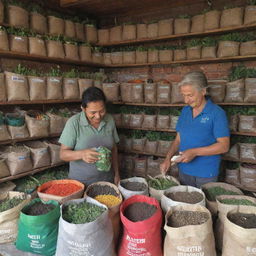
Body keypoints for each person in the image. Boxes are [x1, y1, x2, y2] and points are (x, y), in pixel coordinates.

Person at [160, 71, 230, 188]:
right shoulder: (185, 111)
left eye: (190, 95)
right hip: (184, 170)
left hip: (206, 173)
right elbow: (178, 140)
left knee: (203, 204)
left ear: (203, 91)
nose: (186, 100)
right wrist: (167, 158)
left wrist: (194, 152)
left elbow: (224, 146)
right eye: (184, 95)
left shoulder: (217, 113)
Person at [59, 87, 120, 186]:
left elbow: (114, 149)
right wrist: (82, 154)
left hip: (106, 180)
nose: (98, 116)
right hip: (80, 183)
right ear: (83, 109)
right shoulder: (74, 123)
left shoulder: (109, 120)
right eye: (93, 112)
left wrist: (116, 174)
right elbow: (63, 154)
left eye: (102, 111)